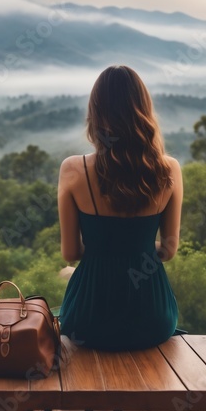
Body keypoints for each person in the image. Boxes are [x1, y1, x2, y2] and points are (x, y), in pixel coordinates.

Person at [57, 65, 184, 352]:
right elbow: (169, 250)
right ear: (144, 110)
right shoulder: (169, 170)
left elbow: (70, 253)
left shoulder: (73, 170)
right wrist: (135, 246)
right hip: (152, 319)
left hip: (87, 321)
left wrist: (103, 253)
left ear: (96, 113)